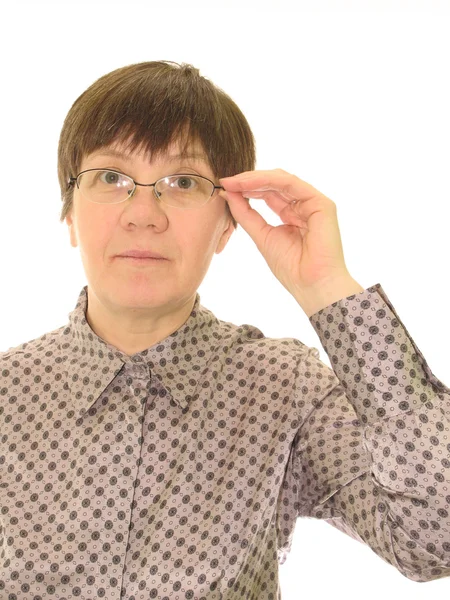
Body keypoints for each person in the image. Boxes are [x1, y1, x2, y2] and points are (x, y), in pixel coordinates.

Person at [1, 60, 449, 599]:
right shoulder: (9, 391)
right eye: (112, 178)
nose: (144, 213)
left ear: (227, 225)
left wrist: (328, 287)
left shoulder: (284, 388)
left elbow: (433, 539)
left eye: (183, 181)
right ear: (69, 212)